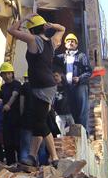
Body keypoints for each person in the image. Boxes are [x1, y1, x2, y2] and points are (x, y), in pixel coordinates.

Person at [8, 14, 65, 167]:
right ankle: (32, 156)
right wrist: (52, 26)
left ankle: (54, 157)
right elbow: (62, 29)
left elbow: (11, 30)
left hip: (42, 87)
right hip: (47, 86)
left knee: (40, 122)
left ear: (31, 30)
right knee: (38, 121)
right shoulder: (52, 42)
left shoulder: (33, 39)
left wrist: (25, 17)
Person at [55, 33, 93, 134]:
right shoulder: (62, 57)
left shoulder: (81, 56)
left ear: (76, 45)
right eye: (68, 41)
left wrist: (79, 78)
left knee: (81, 112)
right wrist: (55, 46)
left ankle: (83, 134)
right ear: (65, 44)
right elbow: (51, 58)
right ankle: (71, 136)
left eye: (73, 41)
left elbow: (89, 71)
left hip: (79, 86)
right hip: (67, 88)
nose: (70, 43)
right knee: (69, 111)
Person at [0, 62, 22, 164]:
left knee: (18, 143)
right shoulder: (3, 87)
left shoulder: (17, 84)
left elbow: (15, 95)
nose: (7, 76)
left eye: (9, 73)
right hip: (6, 119)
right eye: (4, 74)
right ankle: (10, 165)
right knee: (8, 144)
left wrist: (8, 104)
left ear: (12, 74)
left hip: (16, 118)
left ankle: (22, 164)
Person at [52, 67, 75, 136]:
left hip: (69, 113)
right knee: (59, 134)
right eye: (53, 76)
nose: (55, 78)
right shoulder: (52, 88)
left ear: (61, 76)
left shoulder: (67, 87)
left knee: (74, 131)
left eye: (56, 75)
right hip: (59, 114)